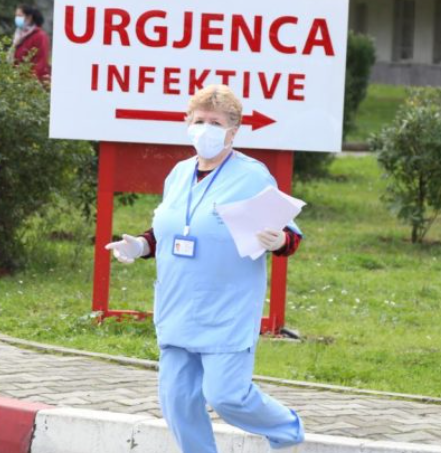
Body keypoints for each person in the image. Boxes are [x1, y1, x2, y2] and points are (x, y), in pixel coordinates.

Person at [105, 84, 306, 452]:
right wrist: (140, 246)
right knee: (177, 403)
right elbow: (171, 229)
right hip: (178, 306)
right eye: (199, 120)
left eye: (216, 123)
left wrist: (279, 241)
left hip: (226, 310)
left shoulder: (252, 176)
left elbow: (291, 237)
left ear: (233, 131)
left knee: (226, 396)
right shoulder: (179, 173)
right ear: (188, 123)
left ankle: (287, 429)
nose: (205, 129)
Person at [9, 4, 51, 83]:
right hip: (17, 81)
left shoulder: (40, 36)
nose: (17, 18)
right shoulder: (19, 35)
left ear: (29, 17)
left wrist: (30, 82)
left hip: (32, 83)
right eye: (16, 16)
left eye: (19, 16)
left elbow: (41, 62)